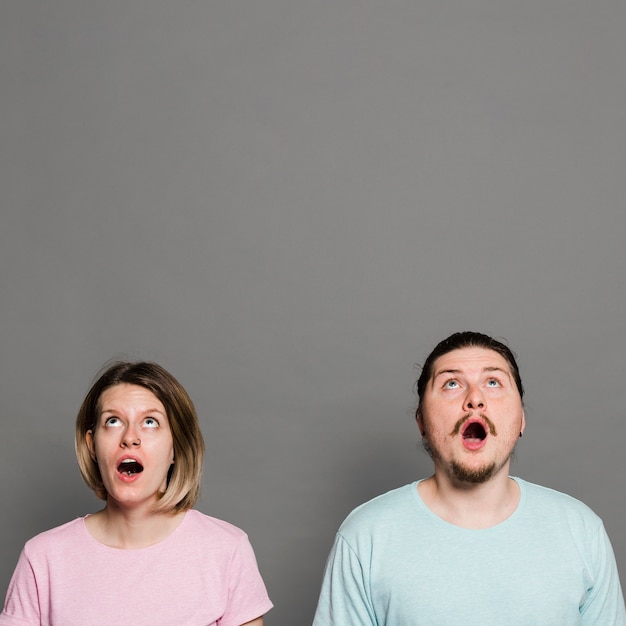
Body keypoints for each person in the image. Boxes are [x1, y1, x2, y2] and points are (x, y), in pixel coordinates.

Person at [313, 331, 626, 625]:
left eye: (493, 382)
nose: (475, 398)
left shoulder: (581, 531)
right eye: (451, 384)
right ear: (421, 421)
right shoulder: (366, 536)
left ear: (521, 419)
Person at [1, 361, 272, 626]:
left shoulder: (227, 550)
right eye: (114, 421)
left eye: (150, 422)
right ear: (92, 445)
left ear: (176, 447)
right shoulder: (42, 558)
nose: (130, 437)